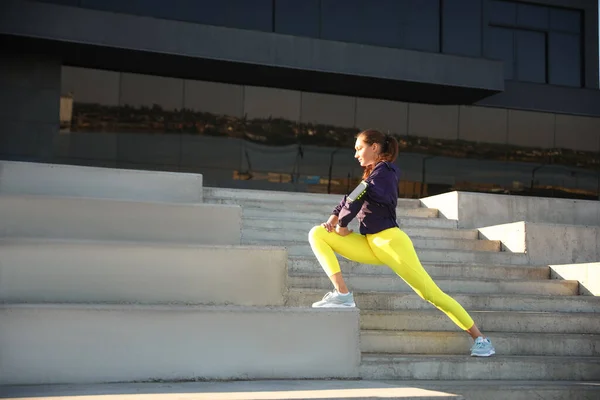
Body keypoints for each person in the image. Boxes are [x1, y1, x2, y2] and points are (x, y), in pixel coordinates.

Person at [308, 129, 495, 357]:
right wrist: (333, 219)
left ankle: (481, 339)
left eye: (359, 148)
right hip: (370, 242)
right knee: (318, 234)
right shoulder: (372, 174)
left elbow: (358, 196)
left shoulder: (386, 171)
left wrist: (343, 224)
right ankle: (343, 295)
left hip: (391, 242)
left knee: (431, 294)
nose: (356, 154)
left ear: (374, 147)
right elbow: (351, 196)